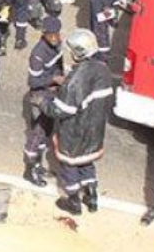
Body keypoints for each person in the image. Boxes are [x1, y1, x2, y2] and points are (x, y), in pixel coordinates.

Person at [34, 28, 114, 216]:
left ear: (78, 52)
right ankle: (92, 196)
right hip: (95, 129)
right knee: (86, 163)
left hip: (74, 132)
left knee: (69, 167)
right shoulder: (102, 69)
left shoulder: (75, 80)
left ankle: (73, 202)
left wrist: (42, 102)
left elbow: (60, 110)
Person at [21, 16, 64, 188]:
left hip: (52, 95)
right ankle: (30, 170)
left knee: (46, 133)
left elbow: (59, 65)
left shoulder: (56, 45)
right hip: (40, 98)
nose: (55, 38)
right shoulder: (38, 54)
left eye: (56, 34)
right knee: (36, 135)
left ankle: (38, 166)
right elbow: (33, 81)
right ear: (44, 34)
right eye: (51, 35)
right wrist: (54, 79)